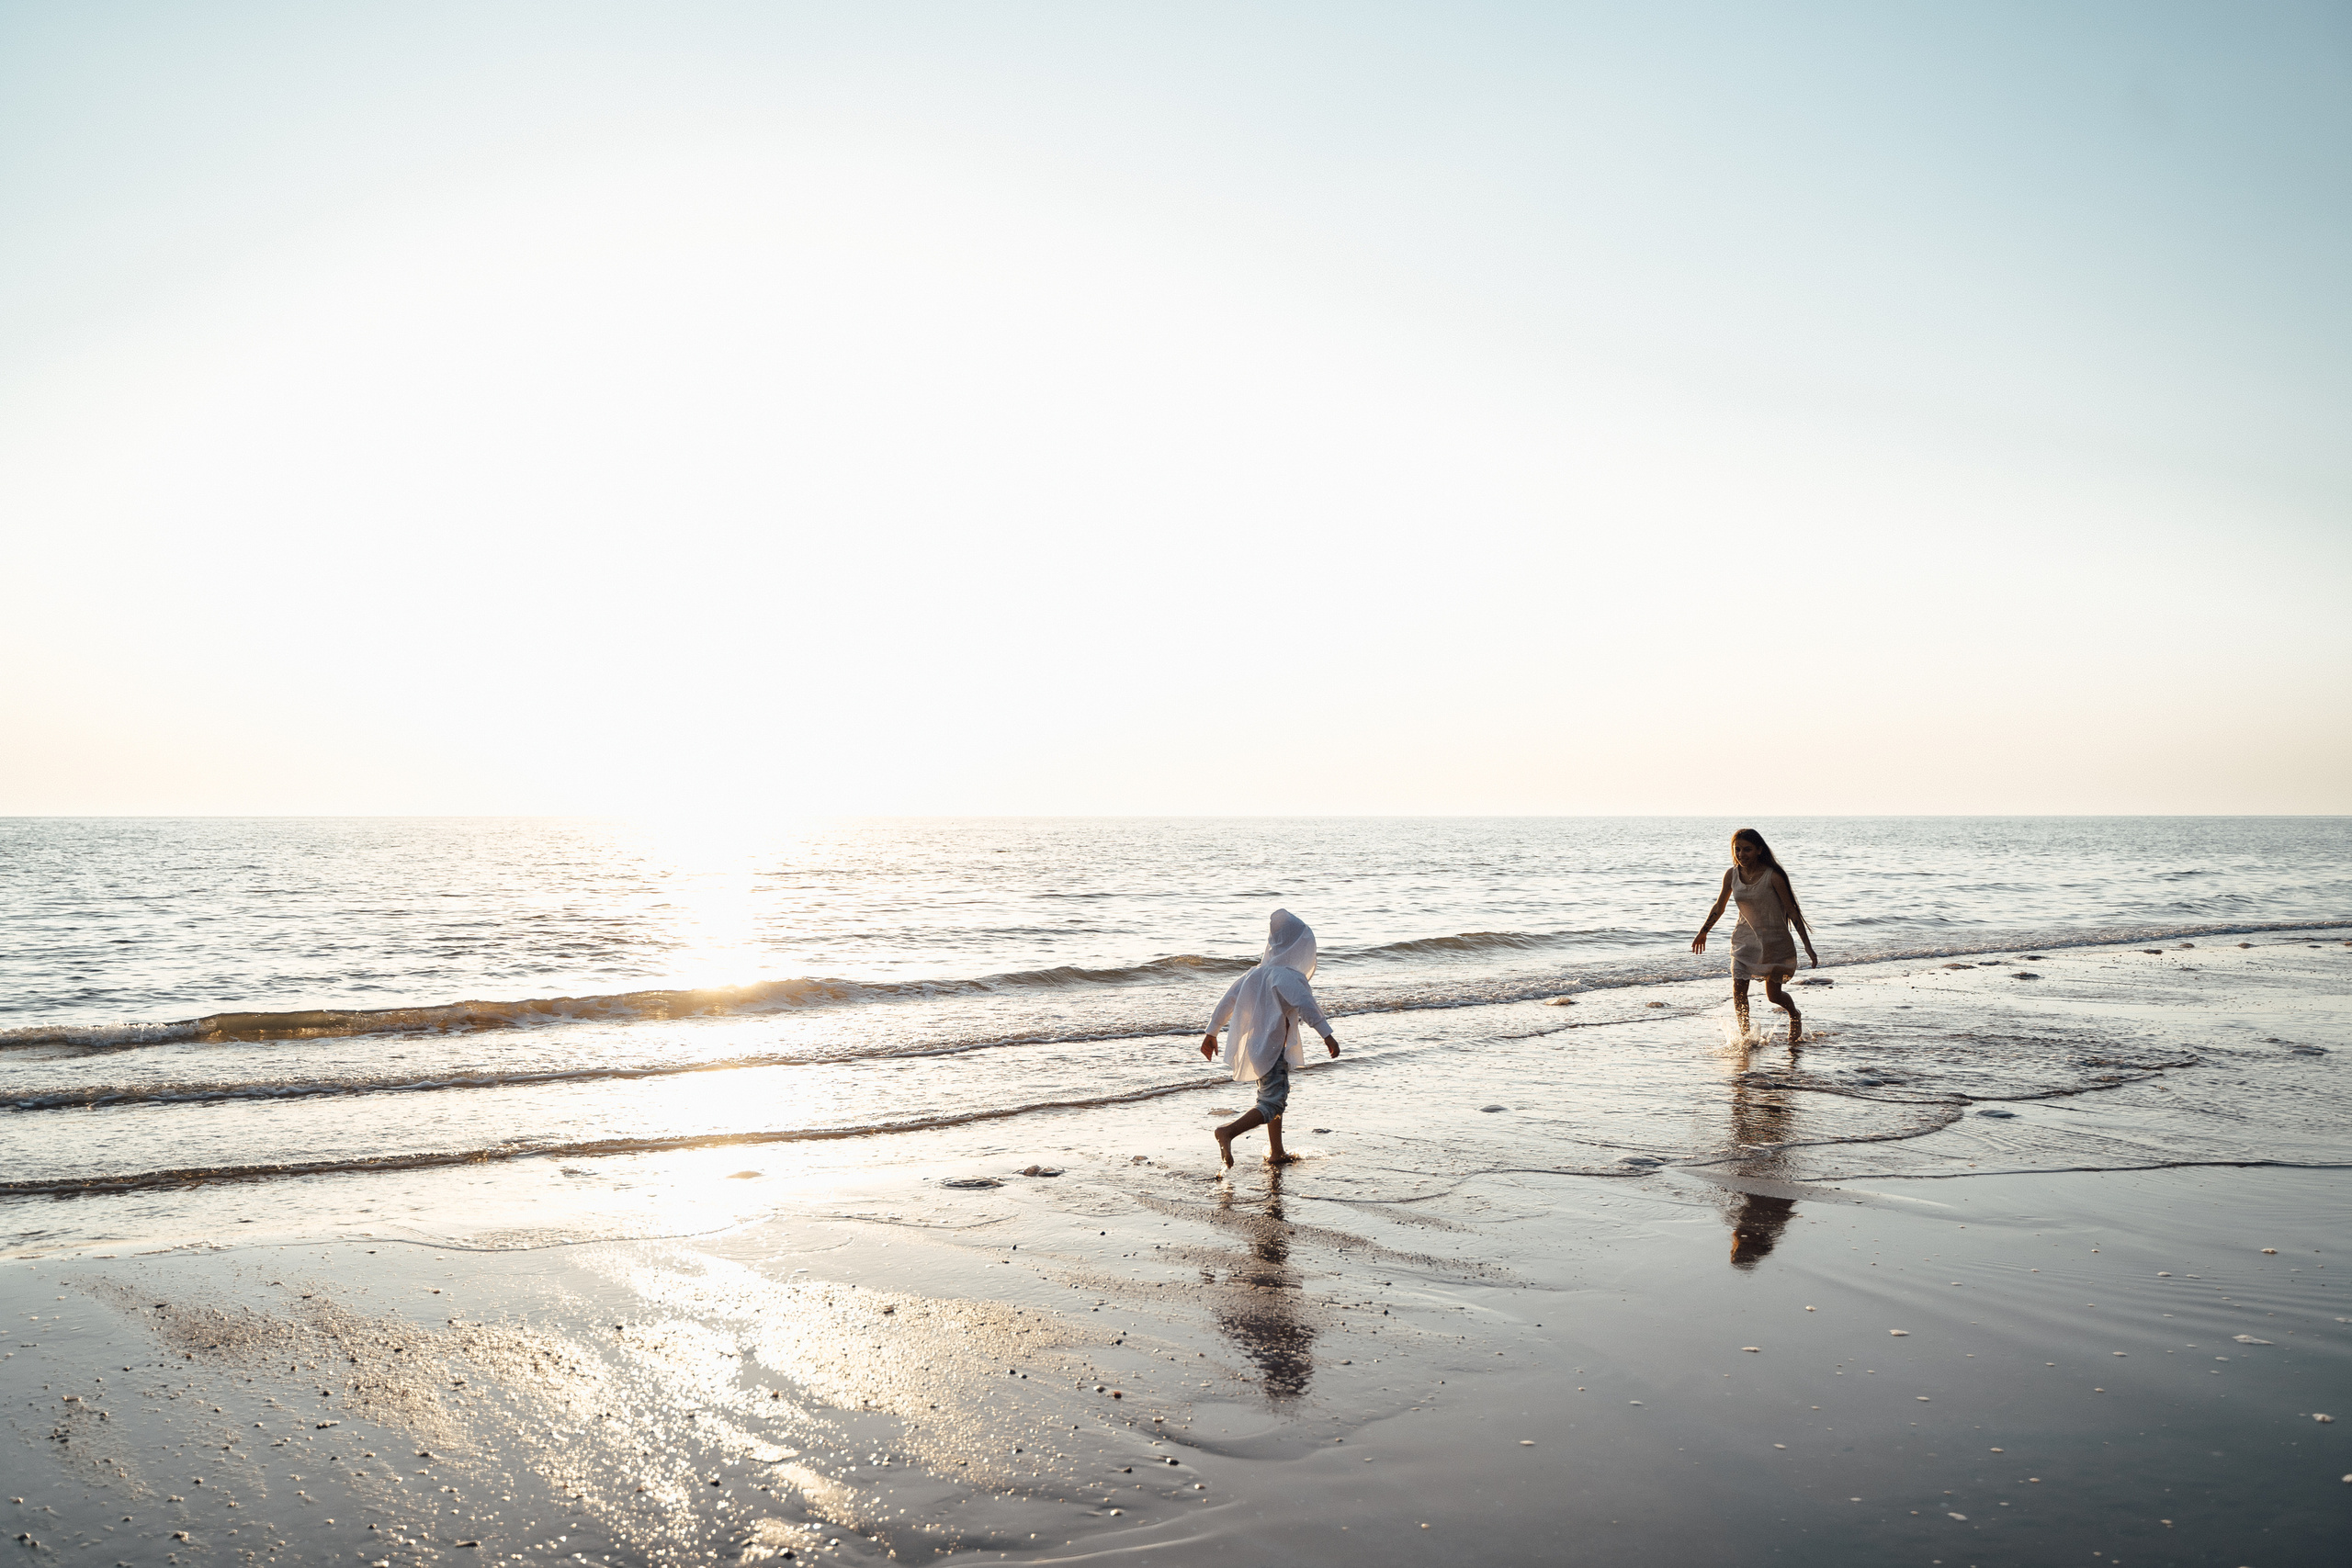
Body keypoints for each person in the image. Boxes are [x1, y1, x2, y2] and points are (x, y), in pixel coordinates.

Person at [1200, 908, 1340, 1168]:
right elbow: (1307, 1006)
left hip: (1256, 1046)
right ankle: (1228, 1132)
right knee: (1273, 1101)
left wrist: (1212, 1032)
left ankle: (1277, 1151)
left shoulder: (1253, 974)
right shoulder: (1288, 976)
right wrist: (1327, 1035)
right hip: (1273, 1048)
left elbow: (1226, 1003)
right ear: (1299, 949)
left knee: (1271, 1096)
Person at [1690, 828, 1818, 1043]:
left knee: (1774, 996)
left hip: (1774, 945)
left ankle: (1794, 1014)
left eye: (1747, 850)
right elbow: (1719, 906)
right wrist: (1703, 932)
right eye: (1737, 849)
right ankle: (1745, 1038)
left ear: (1759, 850)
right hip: (1744, 942)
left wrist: (1807, 946)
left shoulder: (1773, 876)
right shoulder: (1732, 875)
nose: (1741, 854)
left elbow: (1792, 911)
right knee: (1739, 990)